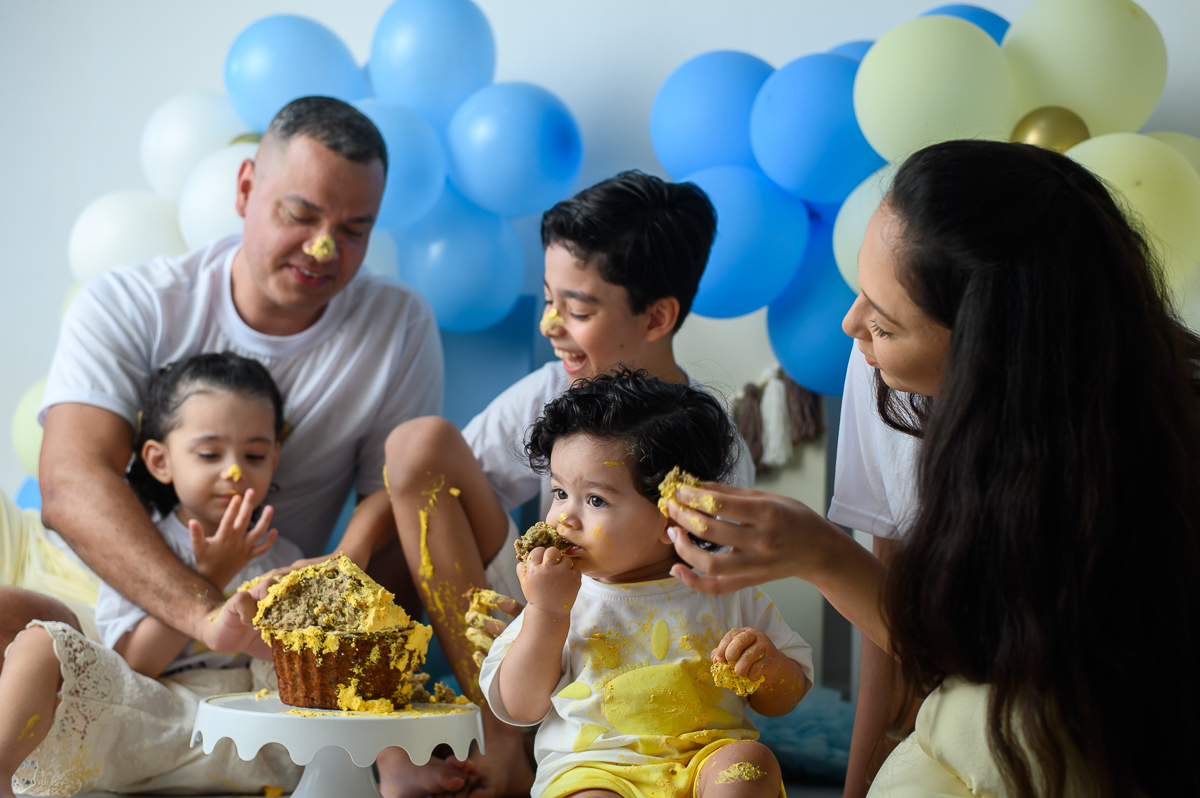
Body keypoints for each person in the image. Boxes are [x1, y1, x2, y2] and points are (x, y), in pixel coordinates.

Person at [660, 140, 1200, 797]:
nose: (851, 323)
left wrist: (821, 554)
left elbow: (1017, 673)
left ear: (991, 347)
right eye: (860, 291)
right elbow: (960, 648)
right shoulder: (898, 381)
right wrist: (816, 552)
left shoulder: (1149, 455)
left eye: (885, 324)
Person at [5, 96, 473, 797]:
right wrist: (201, 604)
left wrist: (337, 570)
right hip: (96, 592)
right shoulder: (132, 301)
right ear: (246, 187)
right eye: (301, 214)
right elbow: (71, 482)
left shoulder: (396, 323)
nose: (324, 247)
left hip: (257, 621)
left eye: (354, 229)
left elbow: (393, 494)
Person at [349, 171, 756, 796]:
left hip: (650, 637)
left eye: (578, 309)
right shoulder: (549, 393)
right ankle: (500, 741)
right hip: (545, 607)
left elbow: (713, 604)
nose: (549, 325)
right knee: (417, 443)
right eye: (548, 299)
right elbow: (412, 481)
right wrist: (348, 555)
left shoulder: (709, 446)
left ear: (657, 316)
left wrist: (583, 612)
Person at [479, 369, 813, 798]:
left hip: (704, 761)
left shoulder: (726, 588)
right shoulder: (556, 596)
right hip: (594, 771)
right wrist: (546, 613)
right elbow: (521, 707)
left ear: (675, 513)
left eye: (595, 500)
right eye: (560, 493)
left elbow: (785, 699)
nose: (563, 517)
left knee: (749, 765)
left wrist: (767, 668)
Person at [1, 353, 304, 797]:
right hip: (152, 708)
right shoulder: (139, 549)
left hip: (245, 724)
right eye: (208, 453)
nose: (234, 470)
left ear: (275, 458)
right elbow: (136, 664)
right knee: (41, 643)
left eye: (254, 454)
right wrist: (208, 575)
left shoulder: (283, 555)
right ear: (160, 461)